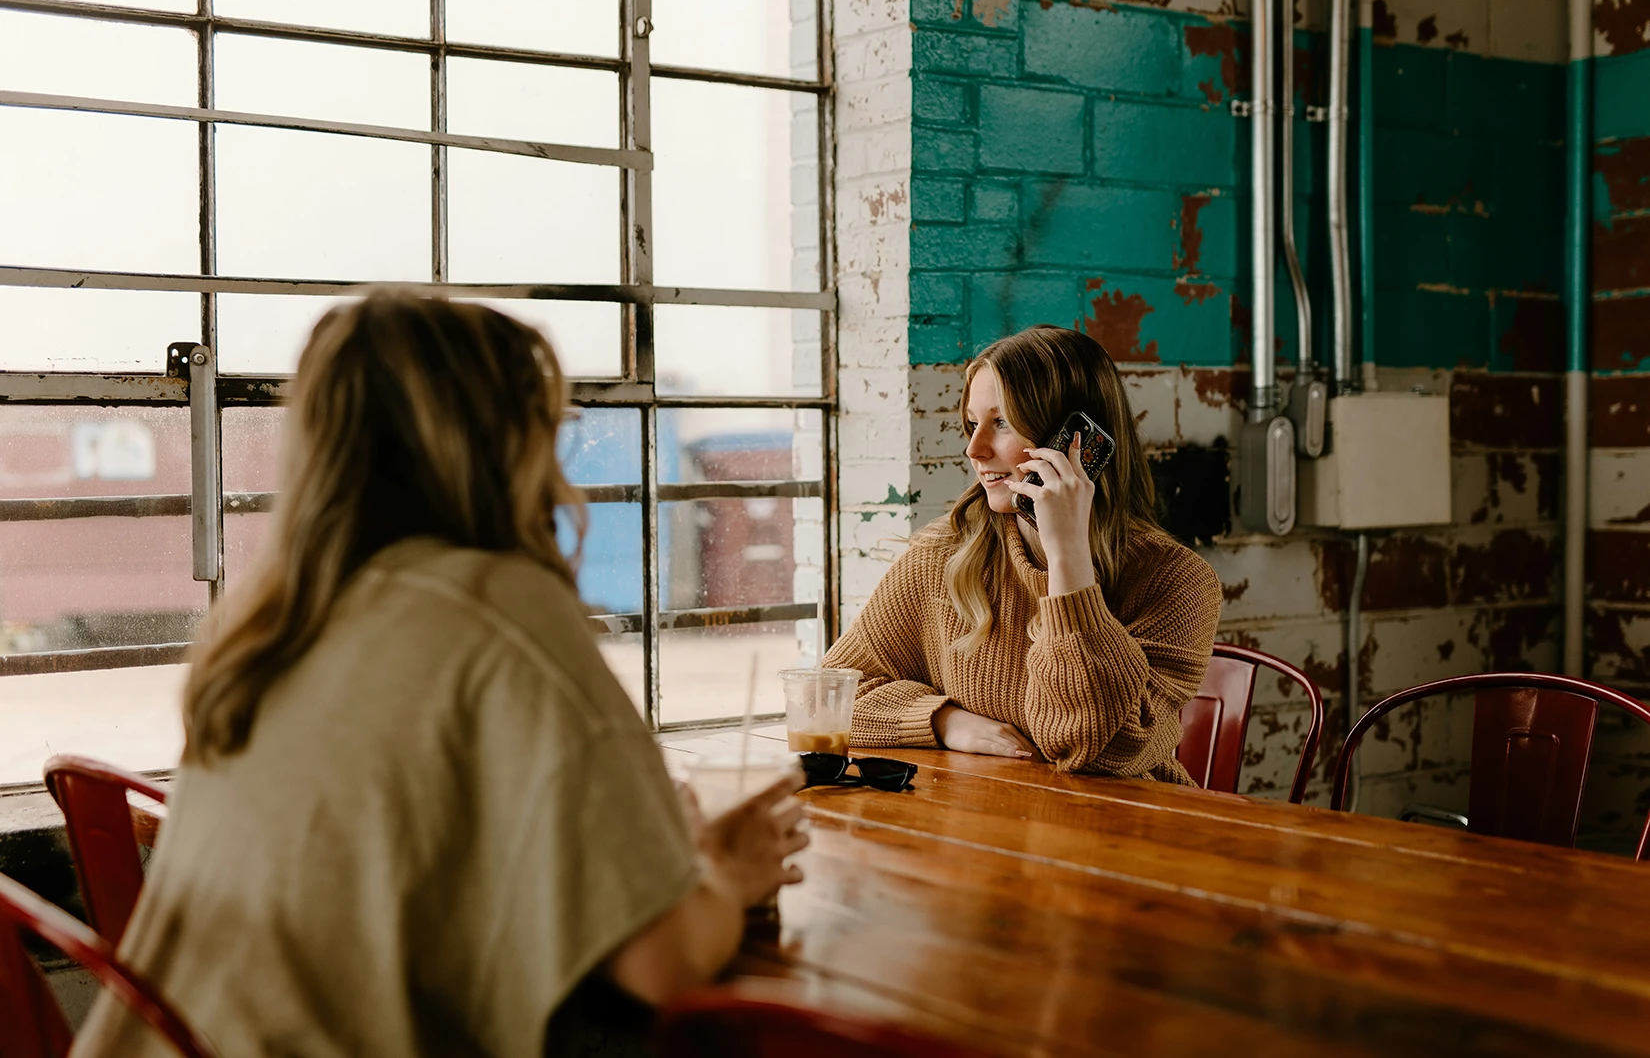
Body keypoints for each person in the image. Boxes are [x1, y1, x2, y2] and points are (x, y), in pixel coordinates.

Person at [73, 294, 808, 1058]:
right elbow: (660, 964)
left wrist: (632, 853)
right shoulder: (501, 604)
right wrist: (724, 872)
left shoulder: (270, 626)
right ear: (503, 438)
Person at [824, 325, 1220, 781]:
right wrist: (945, 721)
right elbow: (833, 694)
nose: (974, 449)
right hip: (988, 813)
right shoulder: (945, 554)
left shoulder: (1178, 580)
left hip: (1122, 819)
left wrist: (1067, 554)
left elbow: (1089, 749)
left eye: (1002, 423)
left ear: (1075, 439)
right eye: (972, 424)